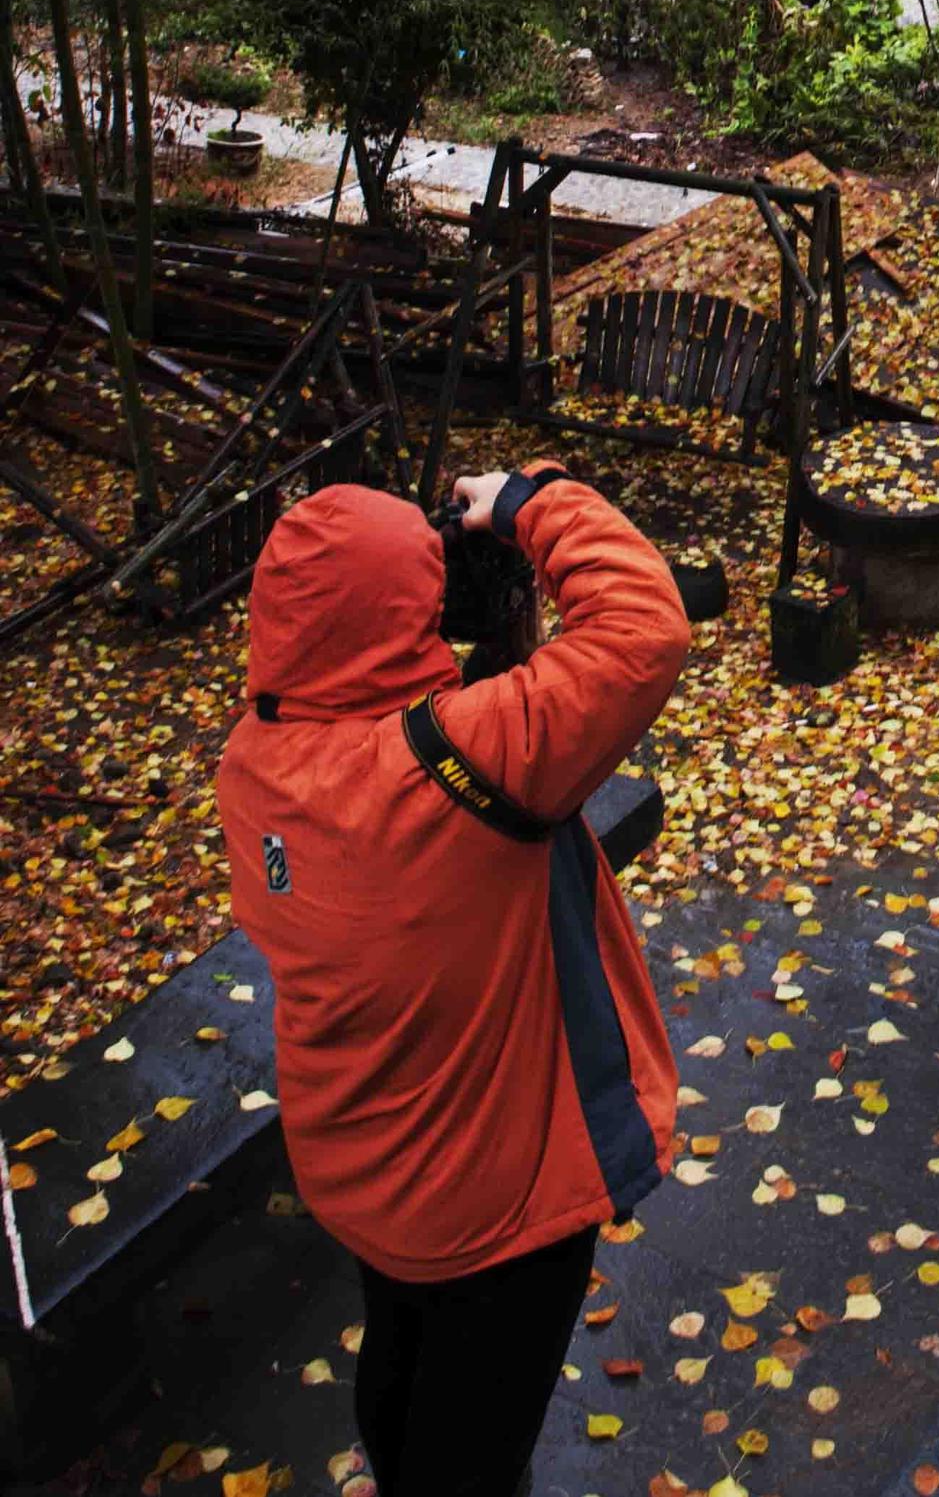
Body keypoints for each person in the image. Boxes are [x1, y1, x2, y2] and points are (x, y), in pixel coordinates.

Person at [217, 463, 691, 1497]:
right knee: (471, 1448)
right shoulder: (469, 760)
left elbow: (372, 738)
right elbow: (645, 624)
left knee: (396, 1360)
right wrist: (530, 500)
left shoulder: (250, 763)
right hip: (492, 1200)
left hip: (359, 1166)